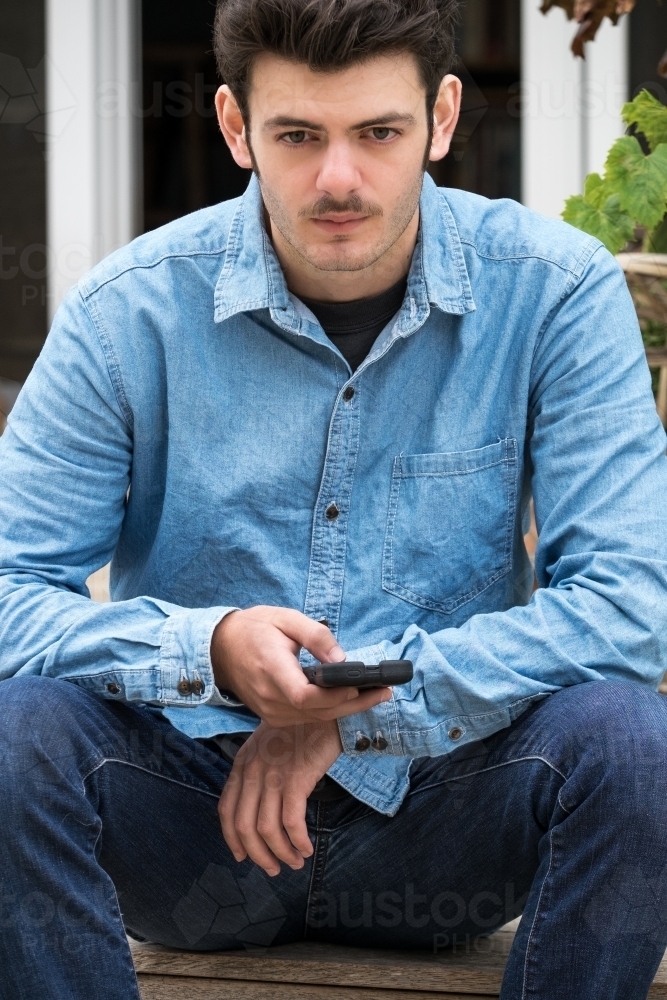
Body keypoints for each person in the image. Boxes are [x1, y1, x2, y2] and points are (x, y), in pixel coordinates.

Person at [1, 0, 667, 997]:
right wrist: (210, 651)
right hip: (187, 818)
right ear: (235, 128)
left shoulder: (553, 292)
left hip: (449, 816)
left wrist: (350, 720)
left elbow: (630, 606)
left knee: (630, 742)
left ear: (441, 119)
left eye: (378, 133)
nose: (339, 178)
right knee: (17, 732)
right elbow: (10, 591)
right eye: (298, 136)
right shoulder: (124, 311)